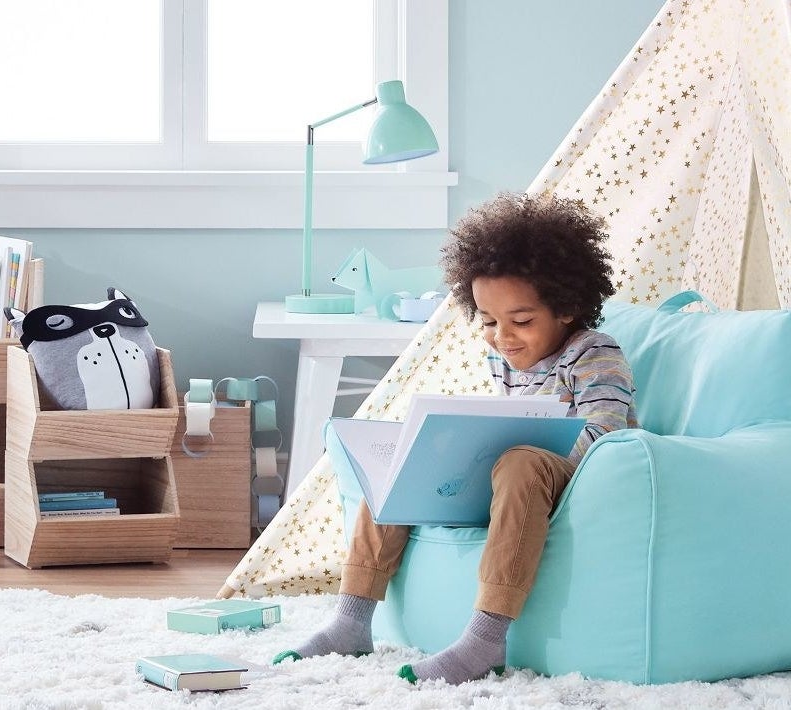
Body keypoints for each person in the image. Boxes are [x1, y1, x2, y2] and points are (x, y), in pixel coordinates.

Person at [273, 192, 638, 685]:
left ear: (568, 306)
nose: (502, 337)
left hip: (556, 481)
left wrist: (525, 451)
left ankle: (486, 639)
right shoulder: (500, 360)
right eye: (488, 322)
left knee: (521, 461)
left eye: (522, 321)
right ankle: (351, 619)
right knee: (403, 462)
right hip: (505, 484)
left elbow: (611, 432)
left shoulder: (593, 353)